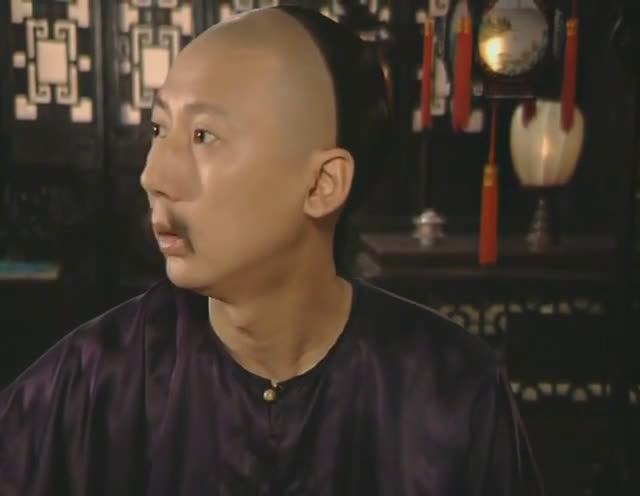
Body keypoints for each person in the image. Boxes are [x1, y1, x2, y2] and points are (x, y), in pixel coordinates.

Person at [0, 6, 543, 495]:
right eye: (159, 128)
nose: (154, 176)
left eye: (204, 136)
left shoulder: (451, 391)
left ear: (322, 184)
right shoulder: (92, 382)